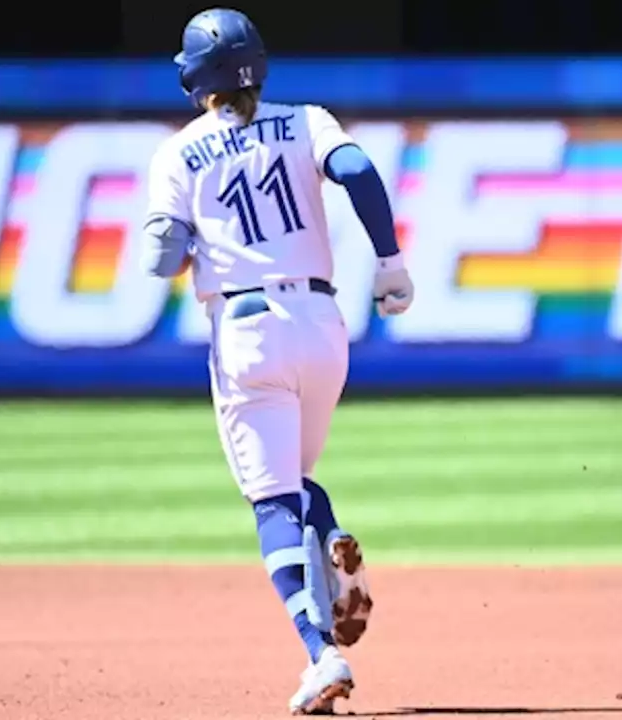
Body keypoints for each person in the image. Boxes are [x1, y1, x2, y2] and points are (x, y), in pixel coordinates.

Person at [140, 7, 414, 715]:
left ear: (194, 76)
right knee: (296, 482)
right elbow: (355, 168)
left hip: (248, 329)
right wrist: (389, 260)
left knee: (271, 501)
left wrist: (190, 241)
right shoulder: (306, 119)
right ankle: (331, 543)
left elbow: (160, 261)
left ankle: (319, 651)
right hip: (323, 324)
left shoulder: (178, 152)